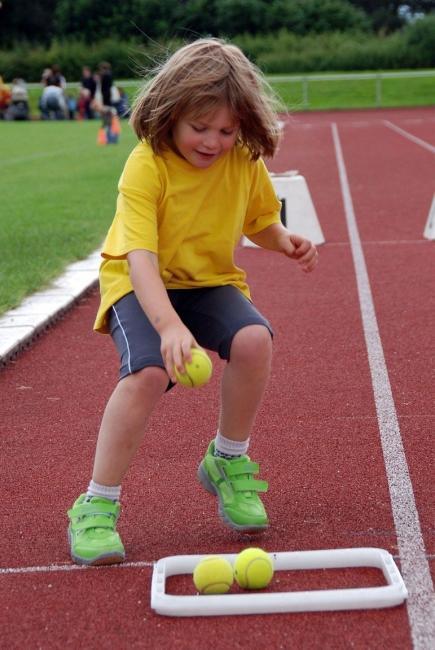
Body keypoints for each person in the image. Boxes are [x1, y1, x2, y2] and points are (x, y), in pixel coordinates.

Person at [66, 38, 318, 566]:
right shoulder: (146, 164)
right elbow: (139, 258)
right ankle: (96, 503)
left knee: (254, 339)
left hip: (207, 280)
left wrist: (283, 239)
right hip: (140, 281)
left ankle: (227, 460)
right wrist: (169, 327)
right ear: (169, 112)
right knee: (149, 373)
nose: (213, 141)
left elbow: (259, 219)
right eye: (200, 128)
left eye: (226, 130)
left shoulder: (243, 159)